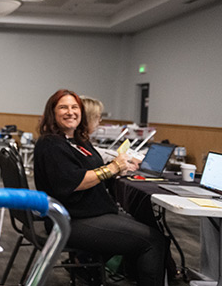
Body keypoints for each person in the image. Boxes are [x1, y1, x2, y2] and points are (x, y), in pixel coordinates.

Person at [33, 89, 167, 286]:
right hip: (70, 219)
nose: (70, 112)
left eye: (74, 107)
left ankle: (92, 269)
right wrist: (112, 168)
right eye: (63, 107)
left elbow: (94, 168)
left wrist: (117, 170)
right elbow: (75, 182)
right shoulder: (51, 144)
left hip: (86, 214)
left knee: (146, 229)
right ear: (53, 113)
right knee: (153, 241)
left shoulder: (77, 141)